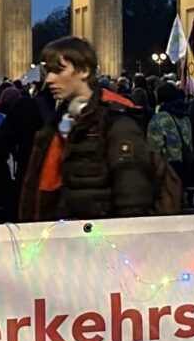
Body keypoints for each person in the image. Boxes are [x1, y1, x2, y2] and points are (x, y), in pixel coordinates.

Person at [20, 37, 166, 221]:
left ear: (84, 71)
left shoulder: (118, 127)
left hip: (98, 236)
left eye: (58, 70)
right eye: (48, 71)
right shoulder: (55, 126)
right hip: (59, 235)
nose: (49, 79)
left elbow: (133, 205)